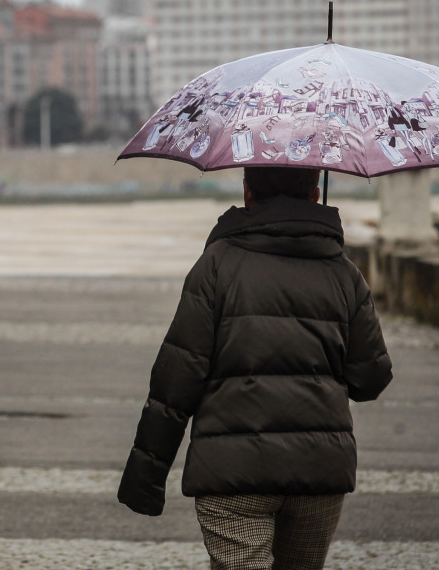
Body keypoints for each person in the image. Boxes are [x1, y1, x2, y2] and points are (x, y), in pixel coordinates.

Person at [117, 166, 392, 570]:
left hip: (232, 473)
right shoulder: (344, 273)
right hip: (318, 471)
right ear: (317, 194)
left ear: (247, 192)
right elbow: (370, 379)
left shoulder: (216, 266)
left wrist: (147, 476)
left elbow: (176, 378)